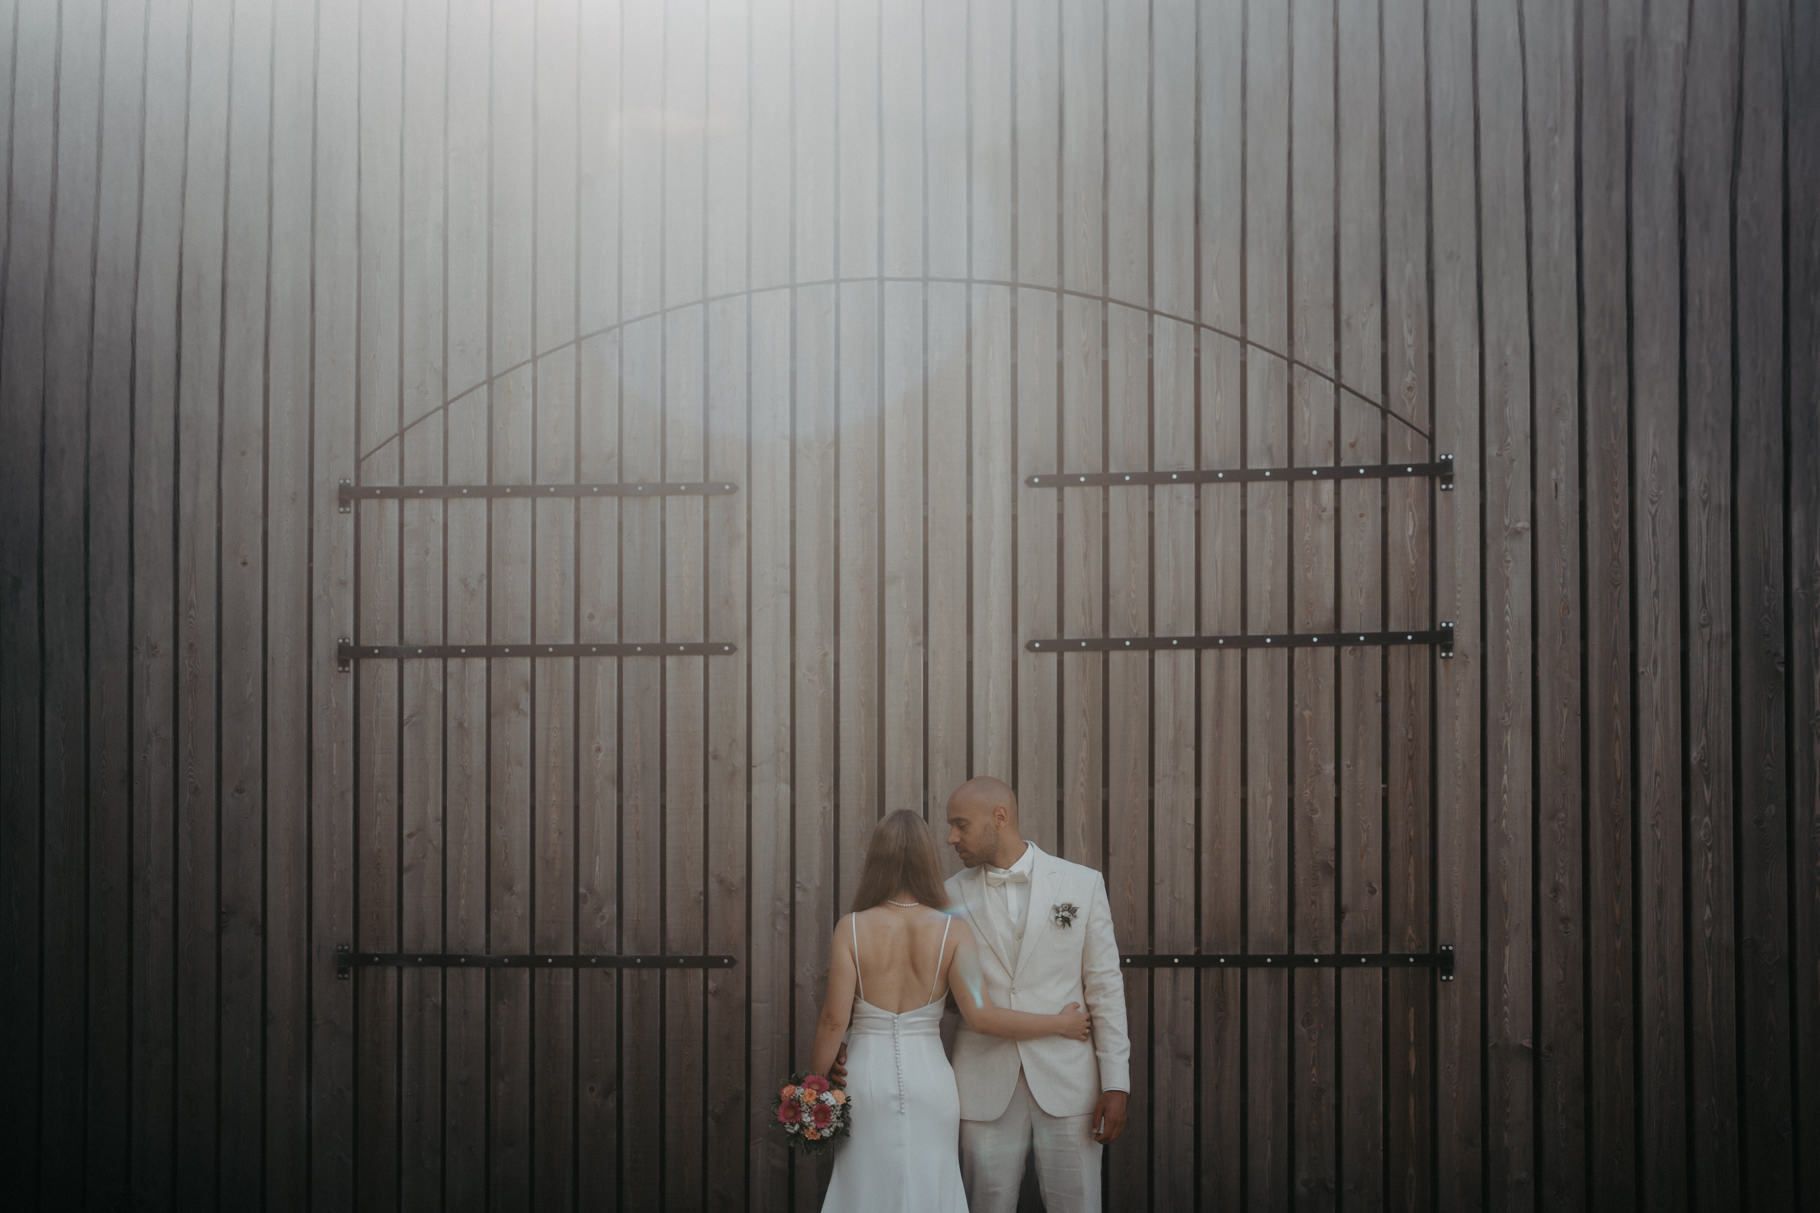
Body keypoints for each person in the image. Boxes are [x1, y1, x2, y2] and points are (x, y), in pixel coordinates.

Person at [806, 809, 1093, 1213]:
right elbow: (981, 1015)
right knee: (932, 1180)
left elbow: (834, 1020)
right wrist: (1059, 1024)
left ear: (876, 859)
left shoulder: (851, 927)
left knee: (864, 1182)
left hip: (866, 1075)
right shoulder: (953, 929)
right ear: (928, 859)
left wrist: (813, 1087)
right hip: (932, 1080)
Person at [943, 776, 1131, 1213]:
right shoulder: (949, 894)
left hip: (1070, 1084)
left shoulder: (1081, 884)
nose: (951, 837)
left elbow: (1105, 987)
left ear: (1000, 818)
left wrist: (1116, 1082)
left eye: (960, 824)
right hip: (983, 1085)